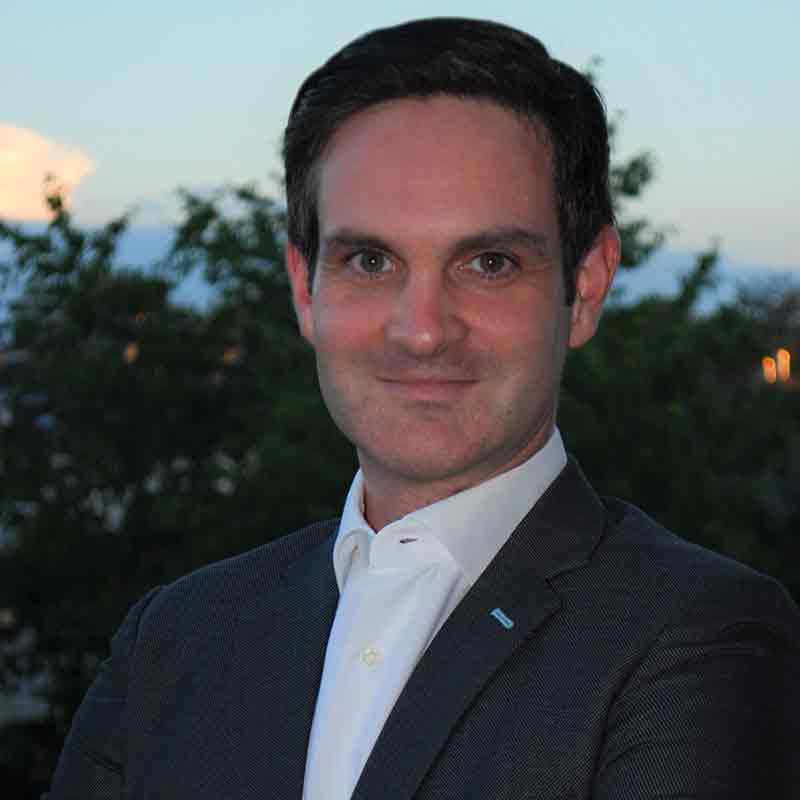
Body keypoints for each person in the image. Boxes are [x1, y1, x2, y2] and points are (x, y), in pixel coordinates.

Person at [48, 17, 799, 799]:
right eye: (370, 260)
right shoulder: (173, 640)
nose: (423, 330)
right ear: (305, 288)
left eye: (489, 263)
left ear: (584, 287)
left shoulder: (697, 638)